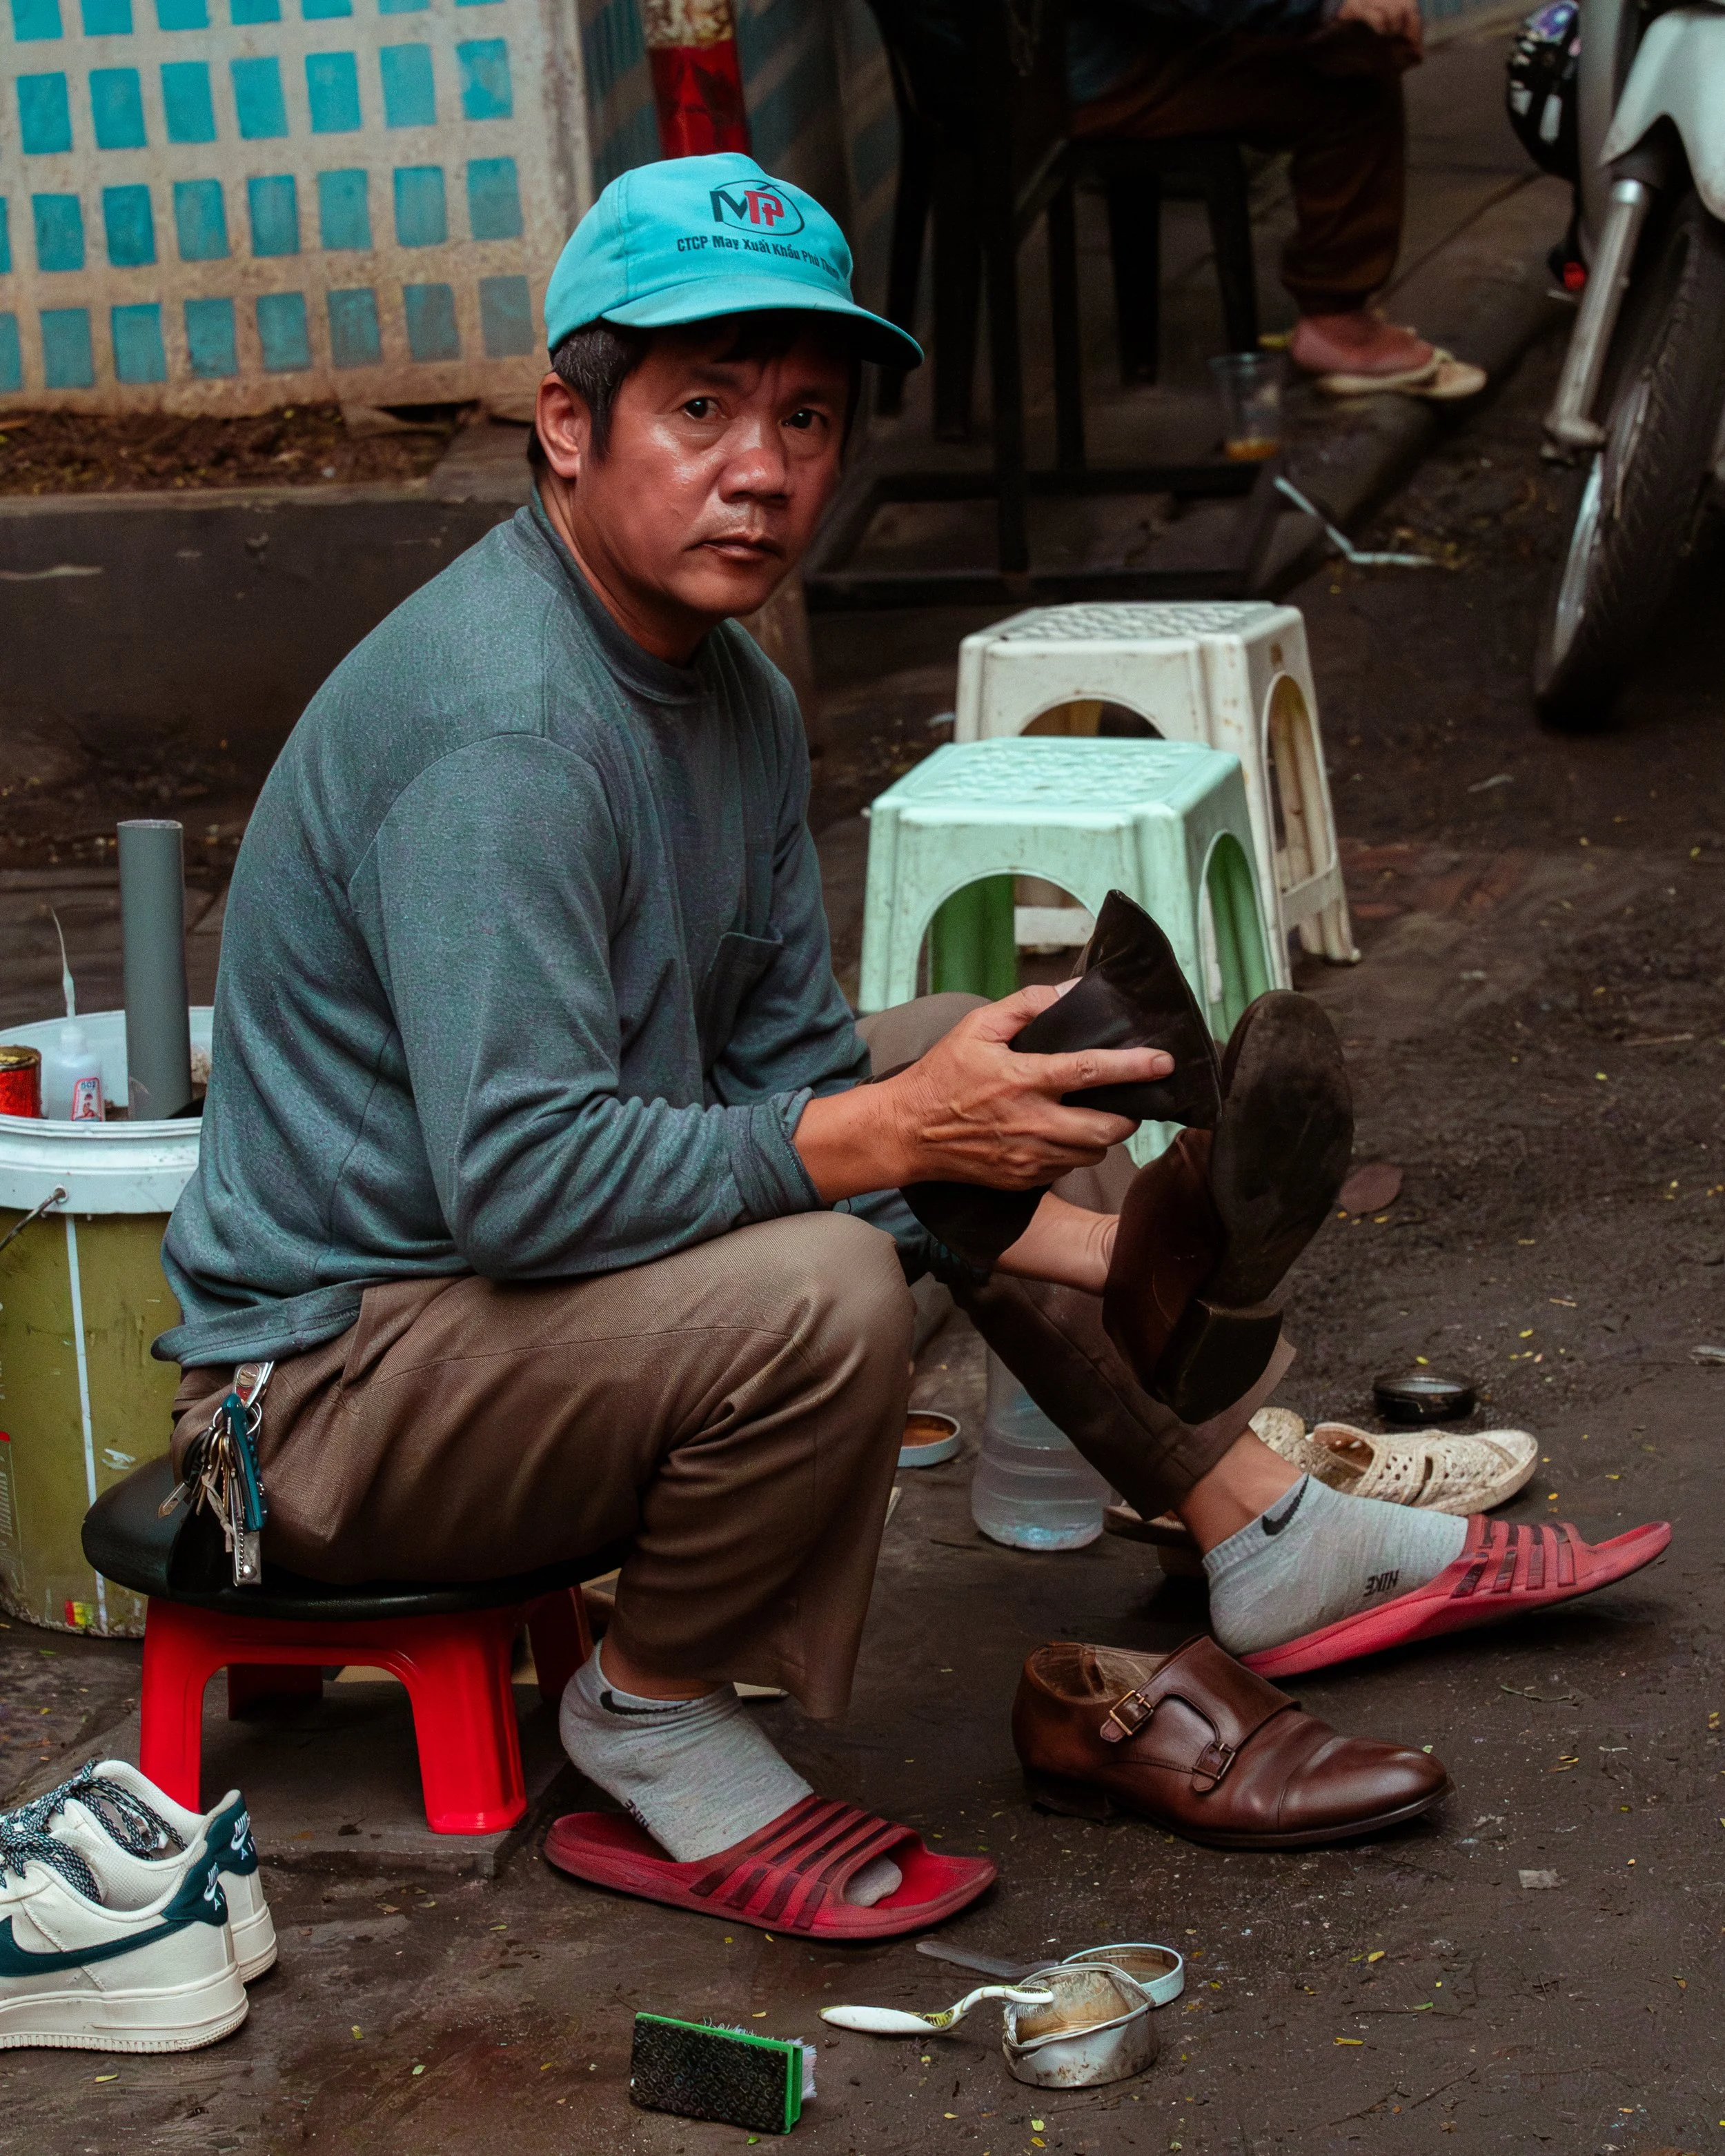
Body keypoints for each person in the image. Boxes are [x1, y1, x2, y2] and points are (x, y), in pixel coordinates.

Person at [150, 152, 1658, 1937]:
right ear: (567, 423)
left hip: (497, 1306)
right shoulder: (505, 739)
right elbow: (523, 1182)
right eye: (698, 407)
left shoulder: (730, 694)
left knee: (998, 1043)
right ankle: (644, 1704)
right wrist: (900, 1140)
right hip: (324, 1395)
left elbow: (797, 1060)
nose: (764, 467)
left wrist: (1118, 1237)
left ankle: (1259, 1528)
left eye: (806, 417)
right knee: (826, 1279)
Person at [1065, 0, 1484, 393]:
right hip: (1078, 74)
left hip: (1090, 48)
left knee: (1352, 44)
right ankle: (1338, 327)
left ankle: (1336, 309)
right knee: (1352, 82)